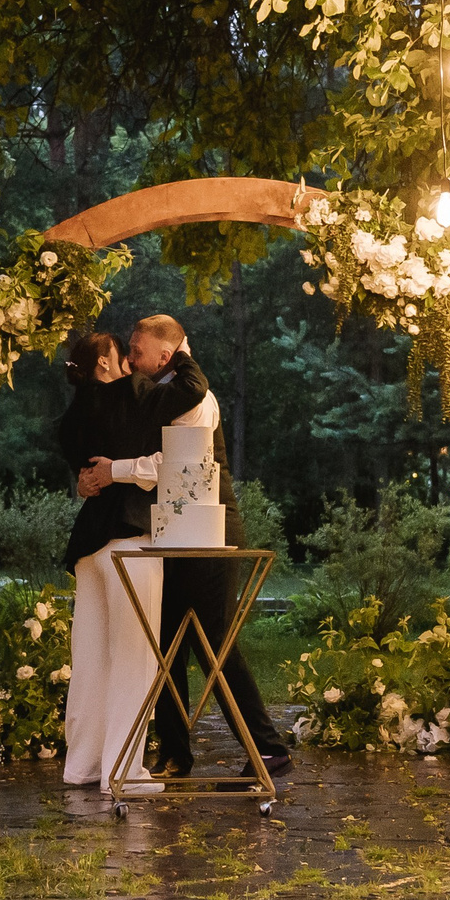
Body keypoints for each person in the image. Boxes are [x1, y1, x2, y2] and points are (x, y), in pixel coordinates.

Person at [78, 314, 291, 779]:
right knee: (167, 643)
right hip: (169, 531)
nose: (130, 357)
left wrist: (112, 470)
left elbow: (171, 464)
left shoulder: (199, 400)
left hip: (211, 532)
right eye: (128, 349)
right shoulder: (151, 396)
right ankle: (175, 754)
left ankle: (268, 748)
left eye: (137, 349)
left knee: (214, 641)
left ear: (166, 355)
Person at [56, 332, 163, 791]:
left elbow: (84, 471)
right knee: (134, 655)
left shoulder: (72, 416)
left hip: (90, 546)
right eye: (126, 356)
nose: (132, 365)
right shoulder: (131, 395)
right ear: (105, 362)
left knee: (91, 657)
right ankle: (124, 770)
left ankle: (82, 765)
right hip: (130, 538)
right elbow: (187, 393)